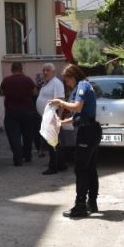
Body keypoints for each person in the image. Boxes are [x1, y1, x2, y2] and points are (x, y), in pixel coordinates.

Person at [49, 64, 101, 217]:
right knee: (90, 168)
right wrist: (61, 123)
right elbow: (79, 116)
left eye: (66, 80)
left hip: (87, 132)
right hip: (91, 130)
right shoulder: (83, 86)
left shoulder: (82, 86)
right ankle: (92, 202)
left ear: (72, 76)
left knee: (80, 169)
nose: (66, 84)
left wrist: (60, 102)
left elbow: (77, 107)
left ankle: (80, 206)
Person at [0, 61, 37, 166]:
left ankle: (18, 158)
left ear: (12, 69)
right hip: (27, 111)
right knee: (27, 134)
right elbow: (35, 92)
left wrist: (9, 93)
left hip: (11, 112)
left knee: (14, 136)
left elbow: (1, 93)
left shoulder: (6, 80)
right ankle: (28, 156)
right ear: (21, 69)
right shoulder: (27, 79)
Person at [35, 63, 66, 175]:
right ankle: (61, 165)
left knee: (52, 143)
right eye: (44, 70)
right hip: (46, 116)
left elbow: (61, 100)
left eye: (47, 70)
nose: (45, 72)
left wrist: (59, 117)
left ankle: (53, 167)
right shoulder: (46, 83)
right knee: (54, 142)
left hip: (53, 116)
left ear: (53, 72)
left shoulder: (56, 83)